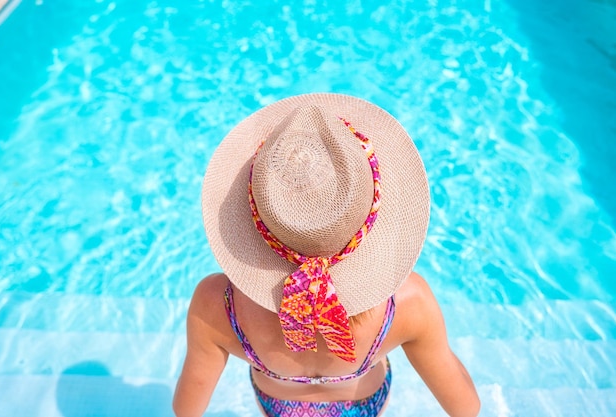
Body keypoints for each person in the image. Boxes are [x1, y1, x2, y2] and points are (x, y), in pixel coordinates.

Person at [173, 94, 480, 417]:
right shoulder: (408, 303)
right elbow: (466, 407)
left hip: (279, 407)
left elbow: (186, 409)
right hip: (363, 404)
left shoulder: (216, 303)